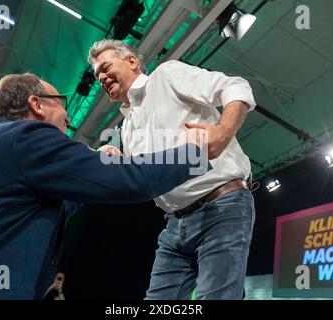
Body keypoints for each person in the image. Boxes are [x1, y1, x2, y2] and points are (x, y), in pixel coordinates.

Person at [0, 73, 208, 299]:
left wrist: (100, 163)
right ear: (37, 104)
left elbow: (56, 204)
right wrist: (195, 154)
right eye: (61, 102)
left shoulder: (2, 144)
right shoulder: (24, 138)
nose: (68, 116)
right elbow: (129, 180)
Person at [88, 40, 256, 300]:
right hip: (174, 226)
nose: (101, 77)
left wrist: (222, 133)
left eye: (106, 67)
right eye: (97, 75)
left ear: (132, 61)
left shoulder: (166, 76)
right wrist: (118, 163)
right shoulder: (126, 128)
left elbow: (236, 86)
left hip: (221, 207)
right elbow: (145, 180)